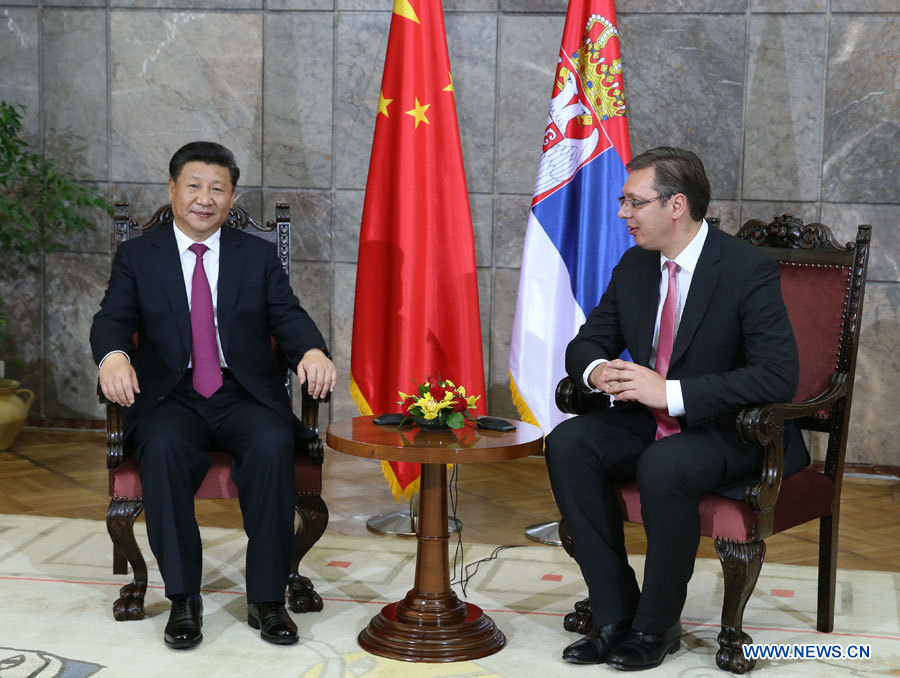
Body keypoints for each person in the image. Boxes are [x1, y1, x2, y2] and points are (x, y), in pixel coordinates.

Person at [545, 147, 809, 671]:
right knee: (569, 443)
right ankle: (615, 614)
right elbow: (586, 343)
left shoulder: (745, 269)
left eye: (633, 202)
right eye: (623, 201)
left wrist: (672, 392)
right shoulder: (636, 264)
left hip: (733, 431)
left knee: (664, 465)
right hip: (653, 423)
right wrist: (599, 371)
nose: (623, 213)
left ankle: (655, 625)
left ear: (676, 205)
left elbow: (779, 375)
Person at [90, 141, 336, 650]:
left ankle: (267, 599)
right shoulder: (138, 255)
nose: (205, 198)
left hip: (242, 394)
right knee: (160, 448)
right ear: (173, 190)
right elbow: (112, 318)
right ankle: (184, 598)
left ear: (232, 196)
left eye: (218, 189)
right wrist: (112, 355)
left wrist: (311, 350)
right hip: (170, 397)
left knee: (271, 446)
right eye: (195, 186)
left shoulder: (257, 256)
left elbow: (287, 316)